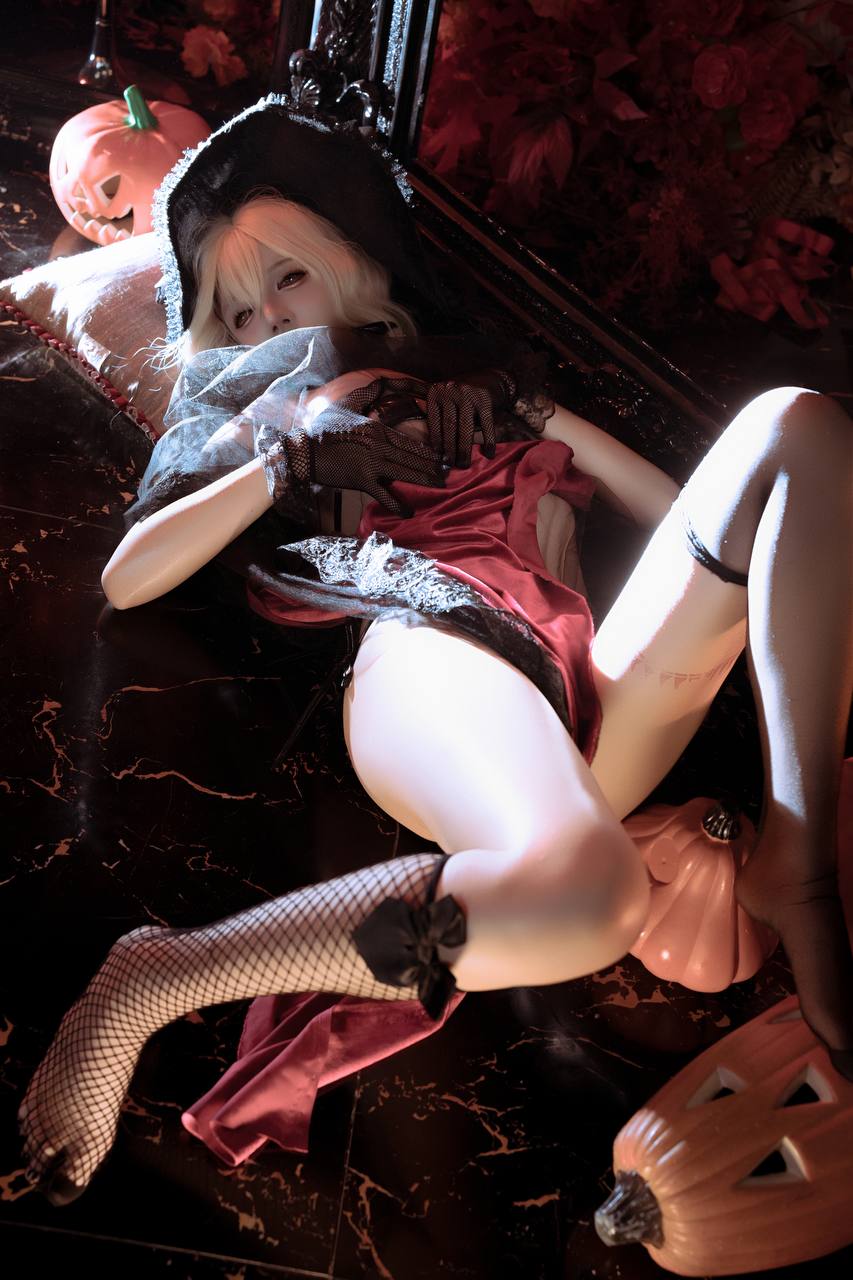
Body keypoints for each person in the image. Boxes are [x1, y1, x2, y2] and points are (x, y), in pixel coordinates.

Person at [18, 96, 853, 1208]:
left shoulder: (480, 377)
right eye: (240, 308)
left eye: (288, 278)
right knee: (590, 895)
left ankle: (799, 856)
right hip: (436, 643)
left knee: (797, 426)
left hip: (585, 677)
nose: (268, 317)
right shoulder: (272, 407)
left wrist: (532, 410)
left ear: (350, 264)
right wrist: (285, 461)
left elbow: (697, 524)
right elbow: (130, 576)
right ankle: (157, 976)